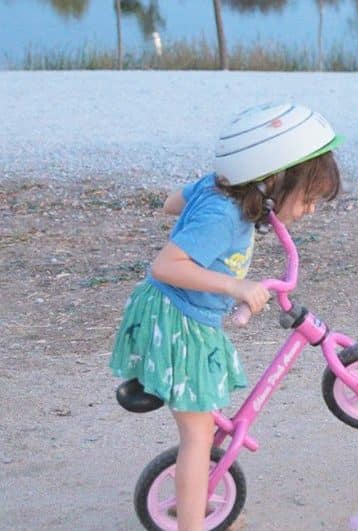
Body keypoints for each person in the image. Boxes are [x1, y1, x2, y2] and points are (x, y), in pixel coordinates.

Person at [109, 102, 342, 531]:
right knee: (197, 438)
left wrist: (205, 206)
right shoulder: (225, 213)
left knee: (203, 421)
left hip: (174, 311)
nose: (309, 210)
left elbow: (170, 203)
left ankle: (193, 502)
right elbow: (166, 265)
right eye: (308, 199)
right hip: (179, 320)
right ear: (272, 179)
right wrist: (235, 285)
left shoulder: (221, 192)